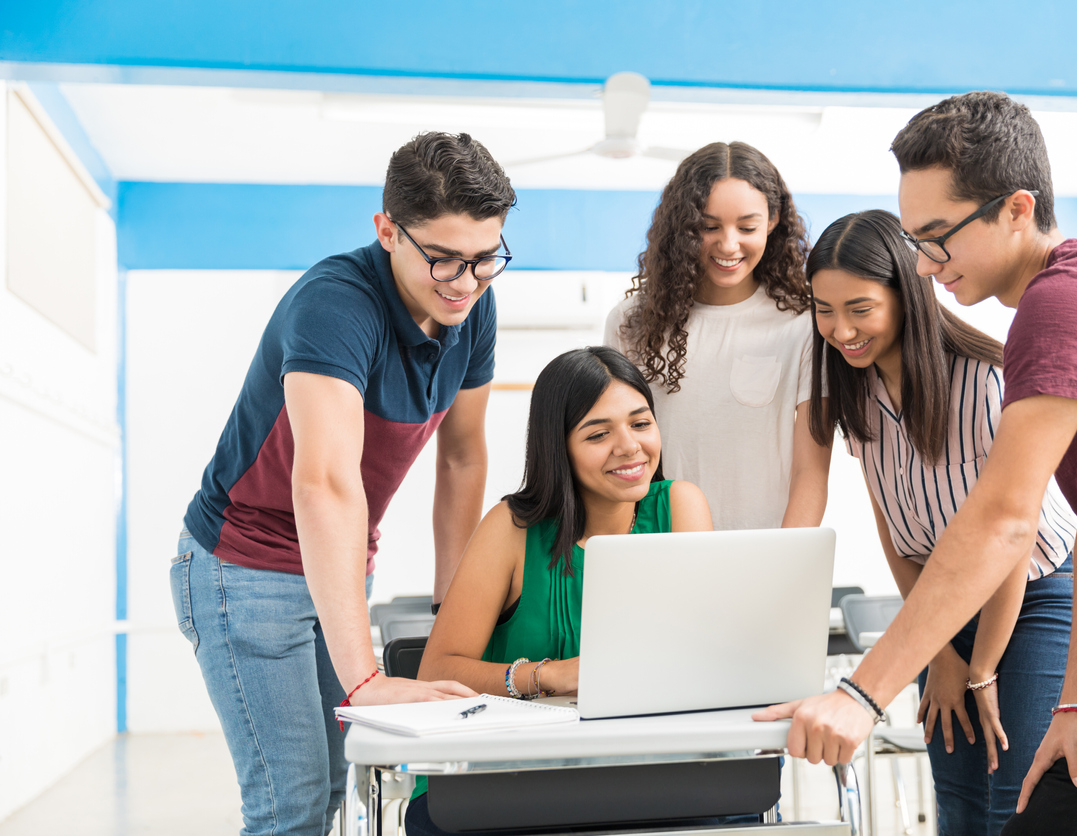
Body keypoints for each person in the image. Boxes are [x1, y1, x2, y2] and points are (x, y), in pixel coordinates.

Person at [755, 91, 1077, 836]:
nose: (924, 266)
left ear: (1017, 210)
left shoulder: (1070, 302)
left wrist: (861, 696)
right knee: (1043, 817)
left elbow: (1002, 521)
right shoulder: (1060, 316)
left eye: (937, 238)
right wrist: (1076, 705)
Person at [172, 132, 514, 836]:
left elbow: (462, 459)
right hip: (245, 566)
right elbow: (324, 482)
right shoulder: (335, 304)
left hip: (337, 565)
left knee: (335, 783)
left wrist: (452, 610)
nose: (464, 281)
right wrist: (364, 679)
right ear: (387, 230)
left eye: (484, 259)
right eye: (442, 259)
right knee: (290, 804)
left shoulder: (473, 307)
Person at [805, 209, 1076, 835]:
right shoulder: (854, 391)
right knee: (958, 800)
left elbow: (1011, 537)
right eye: (824, 309)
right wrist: (940, 653)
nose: (841, 329)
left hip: (1032, 592)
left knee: (1013, 797)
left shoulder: (984, 382)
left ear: (908, 293)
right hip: (940, 598)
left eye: (860, 308)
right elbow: (891, 522)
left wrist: (980, 667)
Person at [406, 346, 714, 835]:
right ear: (558, 446)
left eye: (641, 423)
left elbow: (703, 656)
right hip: (507, 776)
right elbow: (437, 673)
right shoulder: (511, 528)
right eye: (598, 434)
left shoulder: (680, 506)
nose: (630, 446)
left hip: (640, 769)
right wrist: (551, 676)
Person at [603, 141, 830, 530]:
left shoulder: (803, 324)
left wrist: (785, 563)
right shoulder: (631, 321)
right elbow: (615, 453)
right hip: (655, 547)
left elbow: (811, 472)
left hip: (761, 554)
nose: (728, 244)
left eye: (747, 227)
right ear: (685, 227)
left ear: (773, 221)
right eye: (709, 227)